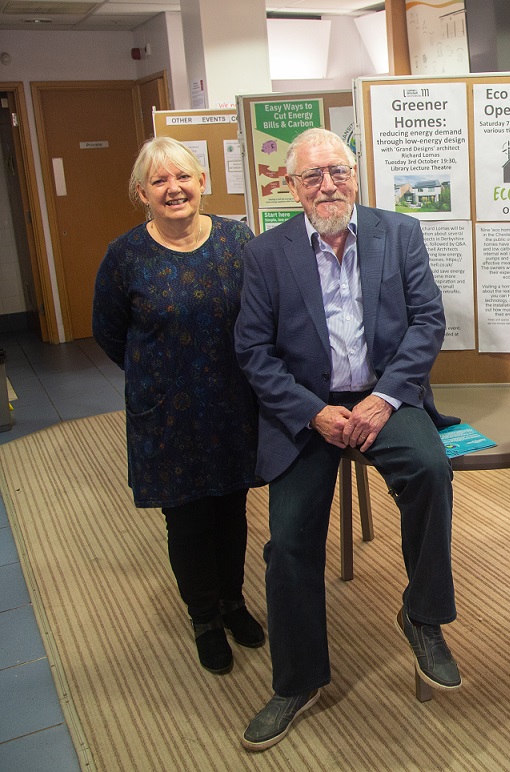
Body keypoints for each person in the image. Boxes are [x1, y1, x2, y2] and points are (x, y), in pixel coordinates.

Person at [234, 128, 460, 751]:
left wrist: (383, 399)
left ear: (356, 174)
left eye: (337, 171)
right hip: (307, 410)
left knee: (430, 472)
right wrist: (313, 414)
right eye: (312, 177)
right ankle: (297, 678)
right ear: (291, 187)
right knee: (289, 538)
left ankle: (423, 616)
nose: (327, 185)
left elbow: (428, 322)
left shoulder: (399, 232)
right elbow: (252, 351)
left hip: (385, 395)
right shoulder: (266, 254)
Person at [92, 137, 264, 677]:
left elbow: (261, 316)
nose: (174, 189)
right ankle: (205, 619)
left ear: (203, 182)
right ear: (141, 192)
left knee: (232, 510)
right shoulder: (125, 256)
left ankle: (234, 603)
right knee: (187, 518)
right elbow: (108, 333)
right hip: (167, 412)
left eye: (183, 177)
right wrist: (158, 376)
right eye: (160, 181)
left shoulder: (239, 240)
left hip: (232, 403)